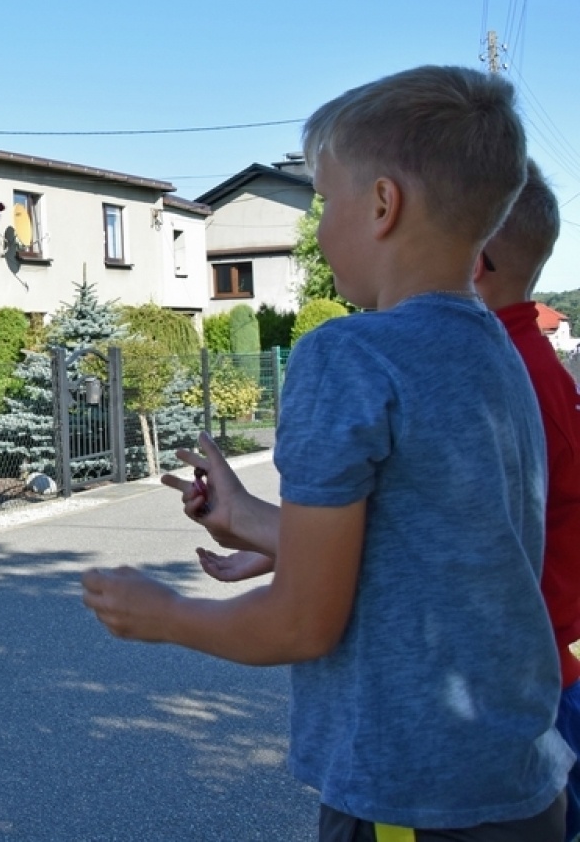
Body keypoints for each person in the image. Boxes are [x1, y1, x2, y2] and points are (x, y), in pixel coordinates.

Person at [81, 66, 571, 839]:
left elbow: (302, 623)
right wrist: (251, 520)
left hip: (410, 796)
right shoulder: (499, 352)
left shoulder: (348, 357)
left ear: (382, 204)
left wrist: (164, 613)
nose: (320, 226)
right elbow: (440, 547)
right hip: (517, 784)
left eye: (325, 200)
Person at [474, 161, 580, 842]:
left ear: (473, 258)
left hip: (517, 691)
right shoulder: (537, 359)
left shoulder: (493, 375)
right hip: (553, 668)